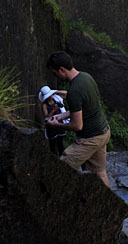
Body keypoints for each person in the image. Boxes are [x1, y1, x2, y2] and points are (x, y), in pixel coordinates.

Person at [45, 51, 111, 187]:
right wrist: (62, 115)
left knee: (59, 169)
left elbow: (77, 125)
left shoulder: (74, 91)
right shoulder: (86, 77)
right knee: (99, 173)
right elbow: (85, 104)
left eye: (55, 73)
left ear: (61, 70)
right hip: (103, 132)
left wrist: (55, 125)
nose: (55, 76)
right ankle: (112, 206)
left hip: (89, 139)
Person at [39, 85, 68, 156]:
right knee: (52, 144)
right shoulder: (44, 105)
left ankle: (62, 159)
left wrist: (56, 91)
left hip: (59, 123)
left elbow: (67, 93)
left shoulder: (57, 98)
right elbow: (46, 117)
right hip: (51, 125)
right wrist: (53, 110)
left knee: (60, 143)